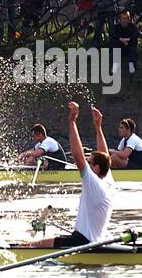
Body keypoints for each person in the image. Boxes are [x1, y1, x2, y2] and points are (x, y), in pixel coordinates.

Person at [19, 103, 115, 248]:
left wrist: (72, 121)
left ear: (96, 168)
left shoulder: (94, 183)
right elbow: (105, 155)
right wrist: (98, 126)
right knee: (38, 243)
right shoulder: (107, 181)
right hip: (92, 241)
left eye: (90, 163)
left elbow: (78, 157)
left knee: (30, 246)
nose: (86, 165)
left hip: (83, 242)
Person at [112, 10, 140, 74]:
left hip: (129, 47)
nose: (124, 20)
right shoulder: (116, 27)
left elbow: (137, 33)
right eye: (122, 18)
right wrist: (120, 39)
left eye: (125, 18)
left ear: (128, 19)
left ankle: (131, 63)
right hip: (119, 47)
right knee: (114, 41)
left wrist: (128, 39)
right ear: (120, 19)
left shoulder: (132, 26)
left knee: (134, 42)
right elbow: (112, 33)